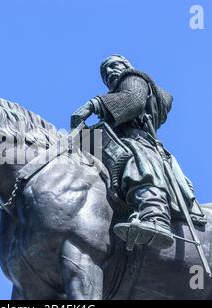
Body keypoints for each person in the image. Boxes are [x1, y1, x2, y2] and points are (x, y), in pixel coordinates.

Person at [71, 54, 203, 250]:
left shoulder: (134, 79)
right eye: (105, 72)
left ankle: (155, 215)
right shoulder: (117, 95)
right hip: (118, 140)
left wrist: (94, 104)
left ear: (126, 65)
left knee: (136, 161)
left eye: (114, 66)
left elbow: (134, 101)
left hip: (138, 141)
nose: (109, 72)